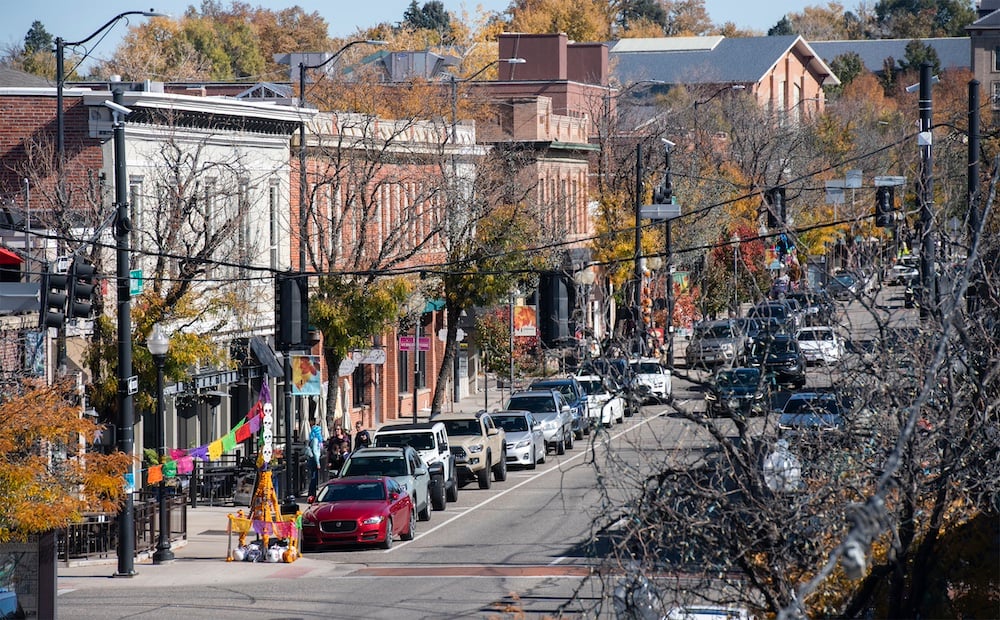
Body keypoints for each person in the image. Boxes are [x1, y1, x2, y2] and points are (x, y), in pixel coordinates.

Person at [306, 419, 323, 498]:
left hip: (312, 460)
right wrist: (318, 463)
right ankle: (312, 493)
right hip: (314, 461)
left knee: (314, 476)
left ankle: (312, 492)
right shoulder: (315, 440)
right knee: (314, 477)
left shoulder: (312, 439)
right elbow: (315, 452)